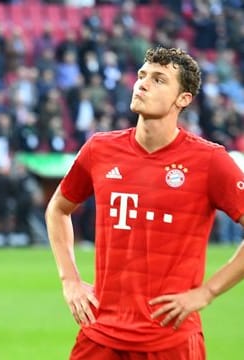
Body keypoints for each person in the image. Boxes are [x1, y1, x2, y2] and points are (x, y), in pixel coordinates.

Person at [45, 46, 244, 359]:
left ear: (184, 99)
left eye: (159, 79)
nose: (143, 83)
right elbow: (58, 208)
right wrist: (69, 279)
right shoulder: (100, 149)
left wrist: (206, 292)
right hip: (101, 335)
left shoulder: (210, 161)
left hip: (170, 340)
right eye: (142, 75)